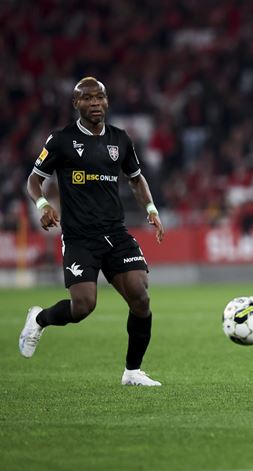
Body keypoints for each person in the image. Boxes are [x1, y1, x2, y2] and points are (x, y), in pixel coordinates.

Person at [19, 77, 165, 387]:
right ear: (77, 104)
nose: (95, 103)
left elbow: (136, 179)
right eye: (87, 99)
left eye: (100, 97)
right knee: (83, 306)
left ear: (107, 101)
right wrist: (43, 204)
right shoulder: (60, 140)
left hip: (115, 232)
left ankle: (132, 372)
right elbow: (34, 179)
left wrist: (151, 210)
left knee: (141, 297)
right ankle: (39, 318)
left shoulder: (121, 140)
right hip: (80, 237)